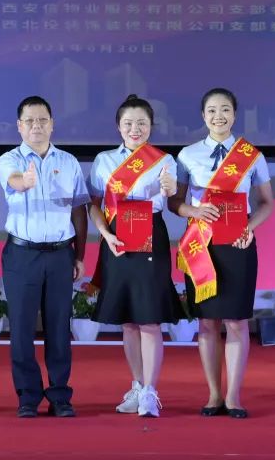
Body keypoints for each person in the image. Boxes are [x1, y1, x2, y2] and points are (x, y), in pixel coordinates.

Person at [168, 88, 274, 419]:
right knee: (207, 322)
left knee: (237, 321)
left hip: (238, 244)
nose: (219, 116)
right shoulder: (187, 155)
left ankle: (233, 396)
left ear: (234, 114)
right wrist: (193, 211)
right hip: (201, 245)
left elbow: (267, 203)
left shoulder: (251, 156)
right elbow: (174, 202)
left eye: (225, 109)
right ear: (203, 116)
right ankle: (214, 394)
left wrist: (249, 227)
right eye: (212, 110)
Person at [87, 94, 183, 418]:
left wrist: (169, 187)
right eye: (128, 123)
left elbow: (170, 196)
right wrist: (105, 234)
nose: (135, 129)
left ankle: (151, 392)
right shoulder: (103, 161)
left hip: (150, 236)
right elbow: (94, 205)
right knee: (128, 320)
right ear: (118, 126)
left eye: (142, 123)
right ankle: (138, 386)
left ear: (151, 126)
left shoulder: (164, 160)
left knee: (149, 318)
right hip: (116, 238)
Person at [0, 95, 89, 418]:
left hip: (61, 254)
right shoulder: (9, 159)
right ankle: (28, 396)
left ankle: (60, 395)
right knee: (22, 328)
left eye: (42, 120)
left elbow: (79, 211)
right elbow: (13, 181)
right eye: (30, 121)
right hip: (22, 255)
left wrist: (79, 255)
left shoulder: (69, 162)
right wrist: (25, 182)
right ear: (19, 126)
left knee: (59, 327)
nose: (36, 126)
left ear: (52, 124)